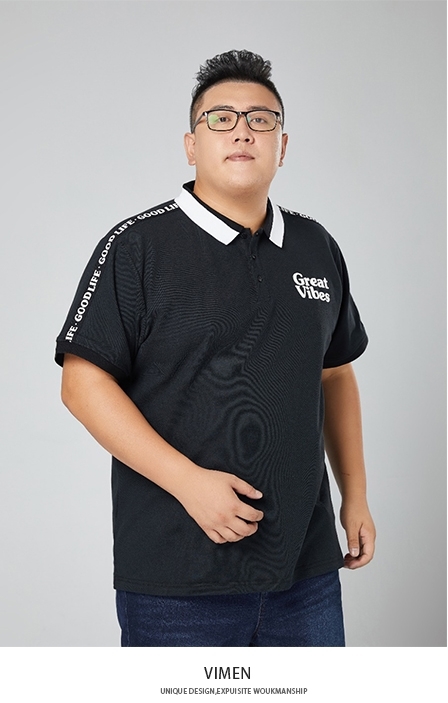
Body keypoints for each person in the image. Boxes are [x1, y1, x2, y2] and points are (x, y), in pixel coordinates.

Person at [55, 49, 375, 647]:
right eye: (221, 118)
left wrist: (354, 494)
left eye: (261, 119)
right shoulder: (137, 246)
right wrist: (187, 482)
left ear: (283, 144)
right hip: (177, 579)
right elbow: (82, 383)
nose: (242, 132)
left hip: (305, 574)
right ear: (191, 144)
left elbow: (334, 374)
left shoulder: (316, 246)